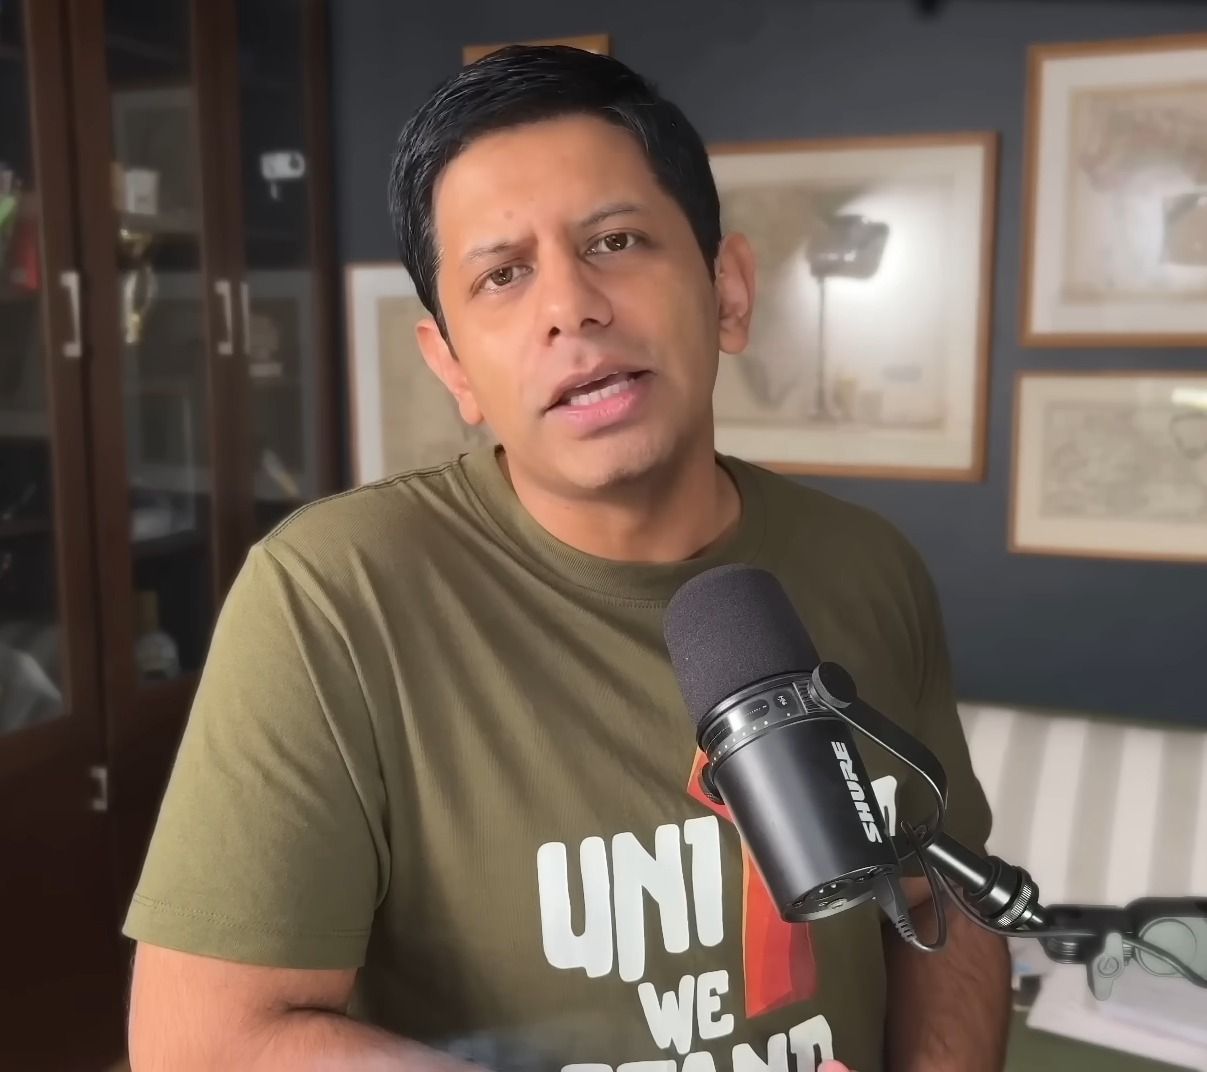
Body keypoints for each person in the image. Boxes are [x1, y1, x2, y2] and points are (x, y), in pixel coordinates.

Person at [124, 45, 1010, 1072]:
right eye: (502, 275)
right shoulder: (330, 598)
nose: (570, 308)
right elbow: (205, 1044)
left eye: (615, 241)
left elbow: (944, 898)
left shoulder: (867, 566)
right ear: (452, 366)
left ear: (726, 290)